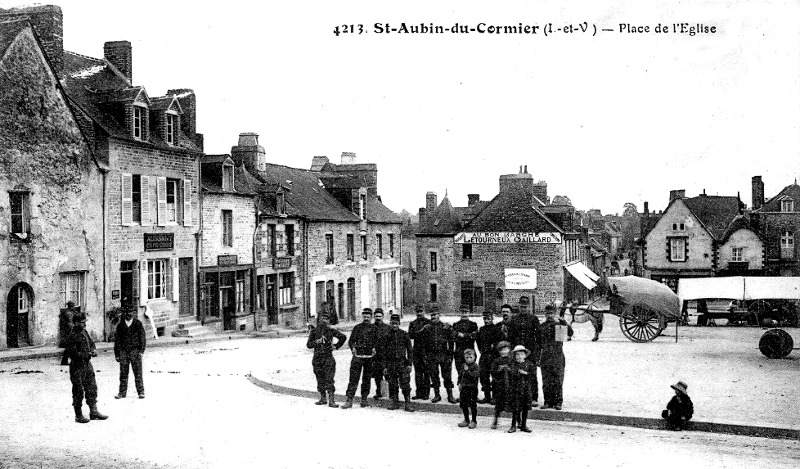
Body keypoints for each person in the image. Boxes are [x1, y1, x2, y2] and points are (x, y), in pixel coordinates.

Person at [60, 312, 108, 423]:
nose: (84, 324)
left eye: (84, 322)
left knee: (92, 387)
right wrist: (87, 354)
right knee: (78, 390)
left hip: (87, 365)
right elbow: (72, 353)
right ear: (76, 323)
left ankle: (93, 411)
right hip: (77, 366)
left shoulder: (84, 332)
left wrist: (94, 350)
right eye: (82, 323)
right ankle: (78, 415)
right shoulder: (72, 335)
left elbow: (91, 343)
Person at [306, 312, 347, 407]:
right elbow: (308, 345)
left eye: (326, 319)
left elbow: (343, 337)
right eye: (322, 318)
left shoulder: (331, 331)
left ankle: (331, 400)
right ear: (319, 320)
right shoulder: (314, 331)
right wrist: (317, 342)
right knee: (319, 378)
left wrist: (336, 346)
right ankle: (323, 398)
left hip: (328, 358)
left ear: (328, 320)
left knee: (329, 379)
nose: (324, 321)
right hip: (317, 358)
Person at [506, 296, 541, 407]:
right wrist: (513, 351)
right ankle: (517, 397)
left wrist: (535, 351)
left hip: (530, 351)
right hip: (517, 352)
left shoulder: (533, 319)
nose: (524, 309)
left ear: (529, 307)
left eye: (525, 307)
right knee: (516, 373)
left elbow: (538, 337)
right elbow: (510, 336)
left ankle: (533, 398)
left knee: (531, 375)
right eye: (522, 307)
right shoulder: (514, 319)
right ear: (519, 306)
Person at [539, 303, 573, 410]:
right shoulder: (542, 327)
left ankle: (558, 402)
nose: (549, 315)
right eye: (547, 313)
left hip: (558, 356)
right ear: (545, 314)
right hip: (545, 356)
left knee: (558, 380)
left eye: (551, 313)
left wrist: (565, 323)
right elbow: (538, 343)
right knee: (546, 381)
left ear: (555, 314)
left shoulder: (560, 326)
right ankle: (547, 401)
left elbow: (570, 333)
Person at [421, 307, 457, 404]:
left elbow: (451, 342)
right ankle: (437, 395)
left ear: (439, 315)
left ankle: (450, 395)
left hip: (444, 355)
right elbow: (424, 344)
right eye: (432, 315)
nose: (433, 316)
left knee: (447, 376)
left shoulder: (445, 327)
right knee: (434, 375)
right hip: (432, 356)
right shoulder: (427, 328)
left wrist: (450, 355)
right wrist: (425, 356)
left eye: (435, 314)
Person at [342, 308, 376, 409]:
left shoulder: (374, 328)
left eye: (368, 317)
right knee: (353, 378)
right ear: (362, 317)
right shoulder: (357, 328)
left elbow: (378, 341)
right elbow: (351, 341)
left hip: (369, 357)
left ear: (371, 317)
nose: (366, 318)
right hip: (358, 357)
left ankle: (364, 399)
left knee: (367, 379)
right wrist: (353, 348)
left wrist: (375, 348)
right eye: (364, 317)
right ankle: (349, 400)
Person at [114, 307, 147, 399]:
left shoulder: (138, 324)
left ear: (133, 313)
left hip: (135, 351)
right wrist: (117, 354)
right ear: (124, 313)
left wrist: (141, 351)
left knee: (138, 372)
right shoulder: (120, 325)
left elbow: (142, 337)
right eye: (127, 312)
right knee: (123, 373)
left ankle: (141, 392)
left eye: (130, 312)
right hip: (123, 351)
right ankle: (122, 393)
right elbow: (117, 340)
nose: (129, 314)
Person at [384, 313, 415, 412]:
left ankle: (407, 403)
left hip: (402, 363)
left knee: (405, 384)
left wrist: (410, 364)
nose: (394, 326)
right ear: (390, 323)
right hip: (391, 363)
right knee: (392, 384)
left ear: (399, 324)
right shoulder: (387, 335)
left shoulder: (404, 334)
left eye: (396, 323)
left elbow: (410, 350)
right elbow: (383, 352)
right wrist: (384, 366)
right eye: (392, 323)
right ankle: (394, 402)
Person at [507, 345, 535, 433]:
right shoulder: (513, 365)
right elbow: (511, 374)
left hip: (526, 389)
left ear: (525, 355)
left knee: (525, 408)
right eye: (517, 355)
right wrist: (517, 373)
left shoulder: (529, 364)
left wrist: (526, 373)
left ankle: (523, 425)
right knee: (516, 408)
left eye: (521, 354)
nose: (519, 356)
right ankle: (513, 425)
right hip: (516, 389)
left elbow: (533, 375)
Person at [476, 311, 501, 404]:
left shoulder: (496, 329)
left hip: (494, 356)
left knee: (494, 377)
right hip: (484, 356)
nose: (486, 320)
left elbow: (499, 342)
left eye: (488, 318)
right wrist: (481, 350)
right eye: (485, 319)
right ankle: (487, 396)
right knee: (483, 376)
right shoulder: (481, 329)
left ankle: (494, 397)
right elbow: (478, 341)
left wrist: (494, 346)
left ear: (492, 318)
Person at [408, 304, 431, 400]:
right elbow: (411, 335)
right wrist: (421, 330)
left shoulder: (429, 322)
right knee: (418, 373)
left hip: (426, 350)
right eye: (417, 311)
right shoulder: (413, 323)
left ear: (424, 311)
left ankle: (426, 394)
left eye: (421, 311)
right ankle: (419, 393)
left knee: (426, 372)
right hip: (416, 350)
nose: (419, 313)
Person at [452, 305, 478, 384]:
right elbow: (453, 336)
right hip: (459, 352)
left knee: (472, 372)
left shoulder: (473, 324)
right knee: (460, 373)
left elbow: (474, 336)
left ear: (469, 313)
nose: (464, 314)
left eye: (466, 312)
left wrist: (462, 335)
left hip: (470, 351)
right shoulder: (456, 325)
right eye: (462, 312)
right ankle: (462, 394)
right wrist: (466, 335)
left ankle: (473, 394)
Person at [490, 341, 513, 429]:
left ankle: (517, 421)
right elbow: (493, 372)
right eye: (502, 350)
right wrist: (499, 370)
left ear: (509, 350)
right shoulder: (497, 361)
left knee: (513, 404)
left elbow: (515, 371)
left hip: (510, 385)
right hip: (500, 385)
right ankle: (495, 420)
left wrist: (509, 369)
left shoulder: (511, 360)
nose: (504, 351)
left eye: (506, 349)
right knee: (498, 404)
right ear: (499, 351)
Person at [371, 308, 392, 399]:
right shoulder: (371, 327)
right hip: (375, 355)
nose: (378, 318)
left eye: (380, 316)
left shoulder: (388, 328)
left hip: (386, 354)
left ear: (383, 317)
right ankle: (378, 392)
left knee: (388, 374)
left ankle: (390, 392)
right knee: (377, 375)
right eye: (376, 316)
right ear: (374, 317)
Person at [457, 349, 480, 429]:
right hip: (464, 388)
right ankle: (466, 419)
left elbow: (474, 376)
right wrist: (459, 383)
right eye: (466, 357)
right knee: (463, 404)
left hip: (472, 389)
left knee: (472, 405)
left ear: (474, 357)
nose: (469, 359)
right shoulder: (463, 365)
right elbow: (460, 375)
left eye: (470, 357)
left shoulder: (475, 366)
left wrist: (467, 371)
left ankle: (474, 421)